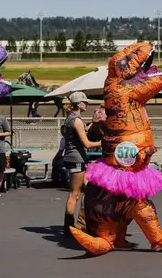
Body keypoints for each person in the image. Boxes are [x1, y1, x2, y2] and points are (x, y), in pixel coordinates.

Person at [62, 91, 101, 237]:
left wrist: (93, 124)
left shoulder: (72, 118)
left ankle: (81, 223)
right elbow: (87, 143)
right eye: (85, 102)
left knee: (88, 188)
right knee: (74, 194)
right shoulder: (76, 120)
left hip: (74, 158)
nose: (87, 104)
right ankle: (69, 227)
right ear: (78, 104)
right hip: (76, 158)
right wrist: (103, 143)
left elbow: (82, 133)